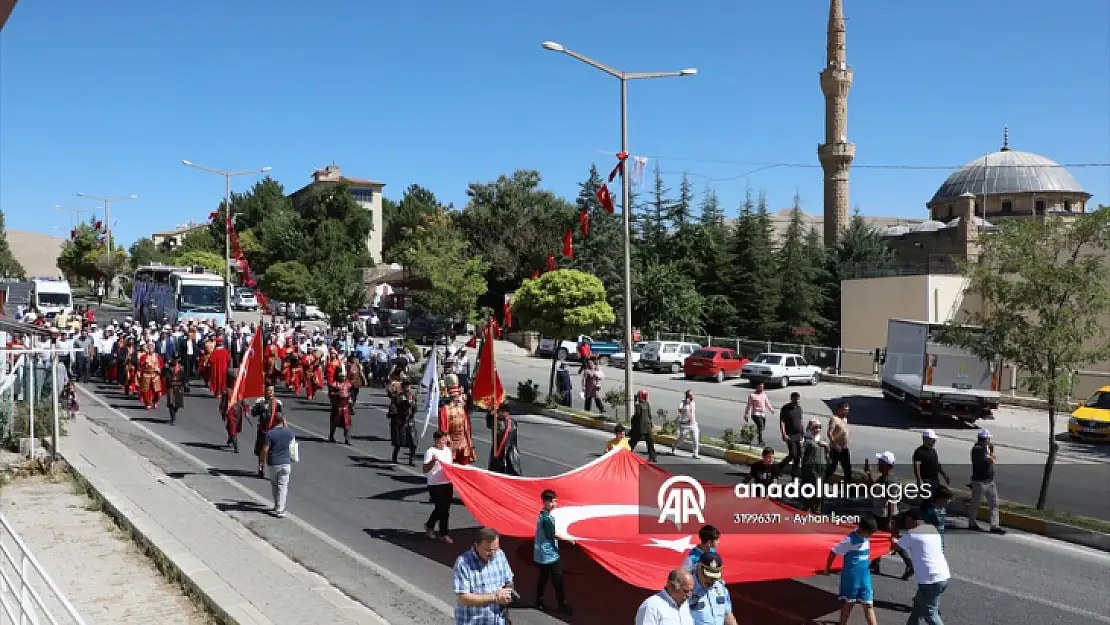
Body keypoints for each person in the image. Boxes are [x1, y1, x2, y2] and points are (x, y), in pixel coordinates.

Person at [898, 508, 951, 624]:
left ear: (911, 520)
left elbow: (897, 547)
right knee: (918, 606)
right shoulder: (932, 529)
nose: (905, 524)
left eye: (905, 521)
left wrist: (891, 538)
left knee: (930, 613)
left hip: (930, 580)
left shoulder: (912, 534)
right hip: (942, 576)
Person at [452, 527, 515, 625]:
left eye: (495, 549)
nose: (493, 554)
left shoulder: (500, 555)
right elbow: (463, 598)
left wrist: (508, 592)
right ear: (477, 545)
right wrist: (494, 597)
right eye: (488, 550)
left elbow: (509, 580)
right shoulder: (463, 563)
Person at [866, 451, 914, 579]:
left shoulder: (889, 481)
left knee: (892, 541)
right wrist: (869, 474)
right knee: (878, 538)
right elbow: (875, 487)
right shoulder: (884, 478)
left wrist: (890, 519)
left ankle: (910, 565)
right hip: (880, 514)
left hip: (885, 516)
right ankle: (875, 563)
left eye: (880, 463)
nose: (878, 464)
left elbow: (891, 501)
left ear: (887, 465)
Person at [823, 516, 879, 625]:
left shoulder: (866, 537)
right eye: (870, 533)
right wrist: (827, 569)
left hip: (865, 577)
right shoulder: (850, 541)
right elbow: (833, 552)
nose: (871, 536)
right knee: (849, 603)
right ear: (862, 530)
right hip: (851, 578)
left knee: (868, 604)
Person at [533, 489, 573, 615]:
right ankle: (562, 604)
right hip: (549, 554)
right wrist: (570, 540)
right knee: (558, 579)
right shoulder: (546, 519)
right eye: (551, 502)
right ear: (545, 502)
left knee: (543, 578)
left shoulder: (542, 515)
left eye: (555, 501)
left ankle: (539, 601)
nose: (554, 504)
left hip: (542, 554)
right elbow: (552, 535)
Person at [968, 429, 1005, 534]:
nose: (989, 441)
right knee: (976, 503)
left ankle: (994, 525)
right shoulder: (978, 449)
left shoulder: (983, 449)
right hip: (979, 482)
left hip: (989, 481)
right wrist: (992, 451)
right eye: (988, 439)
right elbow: (991, 460)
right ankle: (972, 522)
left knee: (994, 503)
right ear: (985, 439)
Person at [259, 412, 294, 519]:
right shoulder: (289, 432)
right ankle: (280, 509)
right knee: (283, 486)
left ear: (273, 421)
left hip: (274, 463)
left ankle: (277, 506)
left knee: (275, 486)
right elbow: (292, 443)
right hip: (286, 462)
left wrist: (261, 462)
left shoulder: (270, 434)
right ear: (283, 420)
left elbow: (265, 450)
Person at [688, 552, 738, 625]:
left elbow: (727, 615)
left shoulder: (721, 588)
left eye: (714, 577)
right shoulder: (686, 588)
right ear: (699, 568)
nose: (711, 580)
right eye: (707, 576)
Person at [423, 430, 454, 543]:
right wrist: (433, 461)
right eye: (441, 440)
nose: (443, 442)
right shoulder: (430, 451)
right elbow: (425, 469)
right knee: (441, 508)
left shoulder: (447, 450)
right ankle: (442, 532)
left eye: (444, 439)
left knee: (445, 508)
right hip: (435, 484)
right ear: (436, 440)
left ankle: (433, 527)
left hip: (447, 483)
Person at [252, 384, 284, 477]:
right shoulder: (260, 401)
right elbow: (253, 413)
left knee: (274, 451)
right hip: (263, 430)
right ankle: (261, 467)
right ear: (265, 390)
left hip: (274, 431)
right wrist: (261, 408)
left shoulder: (278, 403)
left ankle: (274, 470)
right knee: (262, 450)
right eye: (269, 390)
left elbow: (282, 417)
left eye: (272, 390)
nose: (271, 392)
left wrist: (284, 428)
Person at [438, 387, 476, 465]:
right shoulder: (445, 410)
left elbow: (466, 427)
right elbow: (443, 427)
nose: (458, 399)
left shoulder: (462, 409)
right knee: (450, 463)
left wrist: (469, 443)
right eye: (454, 397)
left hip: (462, 440)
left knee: (463, 464)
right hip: (451, 440)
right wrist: (446, 439)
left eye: (458, 396)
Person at [800, 419, 828, 513]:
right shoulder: (807, 439)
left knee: (819, 491)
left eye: (820, 427)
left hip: (821, 468)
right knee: (809, 489)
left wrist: (826, 445)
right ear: (810, 428)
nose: (818, 429)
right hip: (810, 469)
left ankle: (816, 509)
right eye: (816, 427)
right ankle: (806, 508)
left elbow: (827, 454)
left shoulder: (822, 439)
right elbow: (803, 454)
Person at [388, 379, 417, 465]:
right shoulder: (398, 397)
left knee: (413, 441)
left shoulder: (412, 397)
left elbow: (415, 409)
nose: (408, 388)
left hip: (410, 421)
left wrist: (413, 405)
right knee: (399, 442)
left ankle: (412, 459)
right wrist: (405, 405)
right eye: (406, 386)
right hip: (401, 421)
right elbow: (396, 407)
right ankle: (394, 457)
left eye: (409, 386)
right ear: (403, 387)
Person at [912, 429, 951, 493]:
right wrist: (919, 480)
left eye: (934, 440)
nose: (934, 441)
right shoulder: (919, 452)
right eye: (932, 440)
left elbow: (937, 464)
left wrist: (944, 475)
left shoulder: (933, 451)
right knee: (927, 500)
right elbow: (917, 467)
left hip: (935, 480)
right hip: (925, 481)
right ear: (925, 439)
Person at [487, 405, 522, 475]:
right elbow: (489, 421)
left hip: (510, 452)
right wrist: (491, 412)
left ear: (507, 413)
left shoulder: (513, 424)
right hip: (497, 452)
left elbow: (514, 440)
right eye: (499, 411)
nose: (500, 413)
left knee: (512, 472)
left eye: (502, 412)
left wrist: (516, 452)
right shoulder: (495, 422)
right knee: (496, 472)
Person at [778, 392, 805, 476]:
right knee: (793, 454)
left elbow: (800, 421)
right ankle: (778, 468)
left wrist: (803, 432)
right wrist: (784, 434)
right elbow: (782, 421)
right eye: (795, 399)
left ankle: (795, 473)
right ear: (791, 399)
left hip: (798, 434)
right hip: (789, 434)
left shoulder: (799, 409)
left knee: (798, 455)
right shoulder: (785, 408)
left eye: (798, 399)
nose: (797, 401)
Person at [825, 402, 852, 484]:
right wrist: (835, 445)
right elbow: (829, 433)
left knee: (847, 469)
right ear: (839, 409)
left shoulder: (845, 419)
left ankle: (848, 488)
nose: (846, 412)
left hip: (844, 448)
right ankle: (821, 482)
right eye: (844, 410)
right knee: (832, 468)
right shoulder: (834, 419)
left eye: (847, 410)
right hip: (835, 448)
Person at [628, 390, 658, 461]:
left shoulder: (640, 405)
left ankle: (652, 456)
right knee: (647, 441)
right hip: (645, 426)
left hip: (643, 426)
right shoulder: (645, 404)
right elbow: (646, 415)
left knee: (645, 441)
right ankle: (652, 456)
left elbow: (638, 415)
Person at [921, 485, 953, 551]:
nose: (949, 501)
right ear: (940, 499)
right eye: (947, 499)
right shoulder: (930, 511)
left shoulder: (943, 510)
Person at [671, 390, 699, 459]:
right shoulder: (682, 402)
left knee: (695, 439)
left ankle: (695, 453)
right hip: (685, 425)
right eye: (690, 395)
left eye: (692, 395)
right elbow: (680, 410)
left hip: (693, 424)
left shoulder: (693, 403)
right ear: (687, 396)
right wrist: (686, 405)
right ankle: (674, 446)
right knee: (681, 439)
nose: (691, 397)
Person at [136, 342, 164, 411]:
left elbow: (161, 365)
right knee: (146, 391)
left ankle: (155, 401)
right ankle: (147, 404)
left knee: (156, 391)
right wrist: (144, 364)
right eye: (149, 347)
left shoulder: (157, 356)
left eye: (152, 347)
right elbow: (140, 366)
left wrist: (159, 369)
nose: (150, 348)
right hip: (146, 375)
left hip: (155, 375)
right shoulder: (143, 357)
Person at [327, 370, 352, 444]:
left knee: (347, 423)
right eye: (342, 376)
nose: (343, 378)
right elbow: (331, 394)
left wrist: (350, 400)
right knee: (334, 422)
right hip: (337, 406)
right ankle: (331, 435)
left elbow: (349, 392)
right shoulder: (334, 384)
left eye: (344, 376)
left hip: (345, 405)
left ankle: (347, 438)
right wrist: (337, 394)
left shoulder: (347, 384)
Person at [162, 353, 187, 425]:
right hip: (170, 386)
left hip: (179, 386)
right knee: (171, 403)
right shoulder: (168, 367)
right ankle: (172, 418)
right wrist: (165, 368)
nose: (175, 361)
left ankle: (174, 414)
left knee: (178, 403)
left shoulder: (181, 367)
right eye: (174, 359)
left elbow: (185, 377)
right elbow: (163, 375)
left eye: (177, 359)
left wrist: (185, 385)